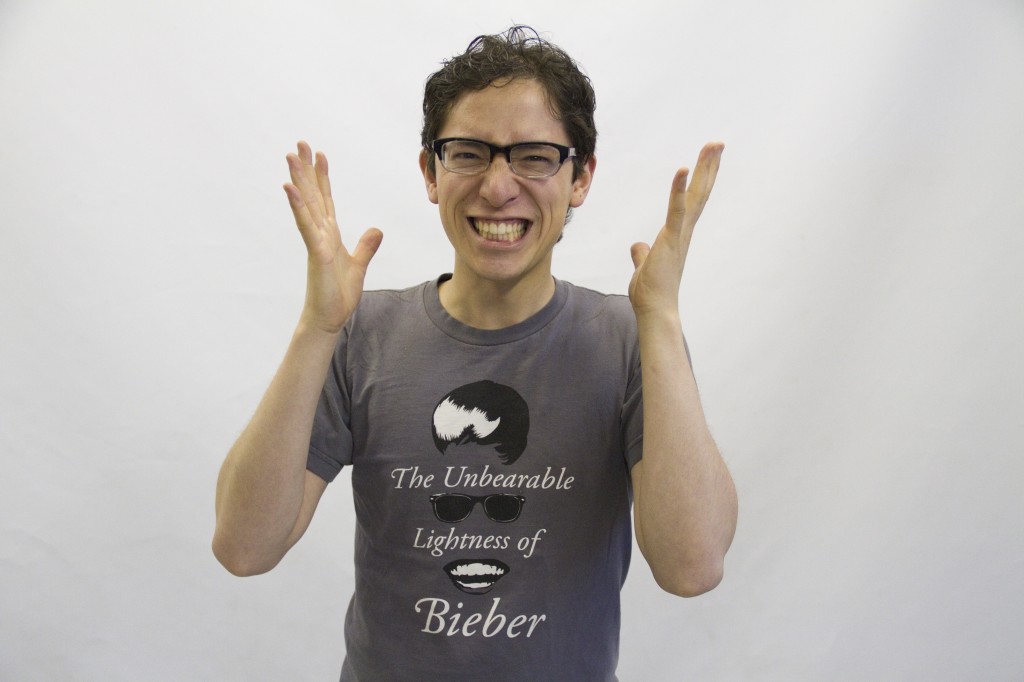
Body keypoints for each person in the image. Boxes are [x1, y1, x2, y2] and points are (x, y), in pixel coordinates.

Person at [213, 25, 737, 681]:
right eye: (468, 153)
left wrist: (659, 320)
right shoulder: (359, 332)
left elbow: (691, 567)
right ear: (431, 172)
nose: (497, 187)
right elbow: (243, 547)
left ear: (580, 177)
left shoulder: (628, 337)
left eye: (535, 157)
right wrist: (316, 330)